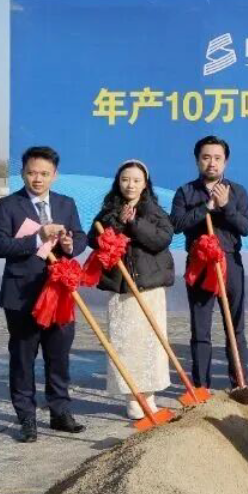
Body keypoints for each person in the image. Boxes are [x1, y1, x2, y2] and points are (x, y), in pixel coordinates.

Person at [0, 146, 88, 442]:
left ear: (55, 175)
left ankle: (60, 412)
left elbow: (80, 237)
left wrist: (70, 245)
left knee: (59, 355)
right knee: (23, 357)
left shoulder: (66, 203)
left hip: (59, 292)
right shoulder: (7, 206)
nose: (38, 179)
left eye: (44, 173)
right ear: (22, 173)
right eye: (32, 173)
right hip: (22, 294)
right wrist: (37, 238)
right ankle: (26, 417)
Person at [89, 160, 174, 419]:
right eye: (125, 179)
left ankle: (150, 397)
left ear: (145, 184)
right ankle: (133, 400)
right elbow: (94, 238)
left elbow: (162, 239)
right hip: (122, 289)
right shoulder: (108, 212)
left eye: (136, 180)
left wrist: (135, 223)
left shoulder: (154, 211)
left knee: (151, 345)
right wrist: (118, 222)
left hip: (149, 288)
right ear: (118, 182)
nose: (130, 185)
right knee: (126, 345)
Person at [170, 136, 248, 389]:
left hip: (230, 262)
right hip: (200, 265)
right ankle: (201, 387)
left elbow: (247, 227)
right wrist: (206, 207)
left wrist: (226, 206)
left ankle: (239, 384)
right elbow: (177, 224)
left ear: (225, 162)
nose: (212, 163)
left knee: (235, 327)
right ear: (197, 160)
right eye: (206, 158)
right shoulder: (185, 192)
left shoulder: (237, 191)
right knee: (201, 329)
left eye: (217, 158)